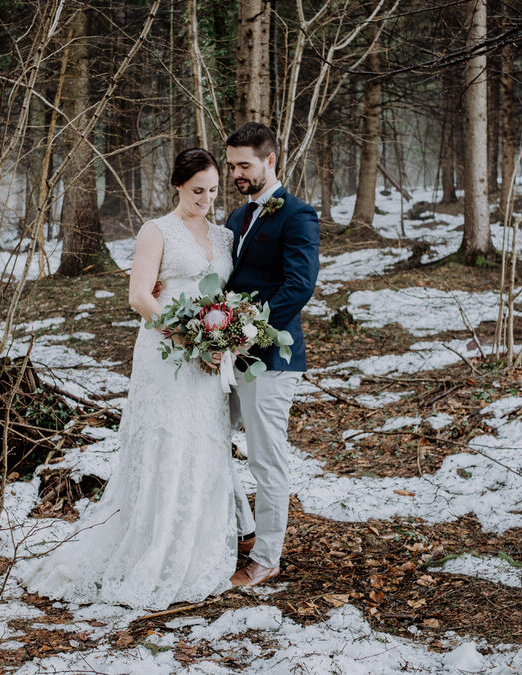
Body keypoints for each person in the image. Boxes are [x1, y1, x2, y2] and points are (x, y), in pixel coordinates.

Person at [19, 148, 236, 610]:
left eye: (213, 191)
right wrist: (190, 338)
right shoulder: (156, 231)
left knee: (202, 443)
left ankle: (196, 548)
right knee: (166, 441)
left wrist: (224, 340)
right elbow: (139, 296)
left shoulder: (225, 235)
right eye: (198, 191)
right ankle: (149, 547)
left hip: (209, 359)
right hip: (167, 353)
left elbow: (226, 295)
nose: (206, 199)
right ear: (178, 185)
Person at [223, 122, 320, 588]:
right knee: (208, 441)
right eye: (232, 166)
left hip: (273, 360)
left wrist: (250, 334)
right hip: (227, 357)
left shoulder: (297, 215)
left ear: (270, 160)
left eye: (245, 165)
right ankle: (238, 528)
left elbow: (298, 287)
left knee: (265, 458)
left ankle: (266, 556)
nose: (237, 174)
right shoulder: (236, 219)